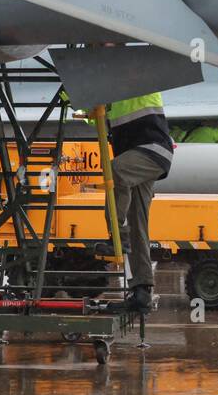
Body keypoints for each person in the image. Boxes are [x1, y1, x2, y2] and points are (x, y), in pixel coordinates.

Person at [73, 92, 173, 312]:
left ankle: (118, 236)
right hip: (140, 154)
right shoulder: (110, 97)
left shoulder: (138, 81)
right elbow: (95, 115)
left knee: (115, 170)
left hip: (153, 151)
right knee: (139, 223)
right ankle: (142, 290)